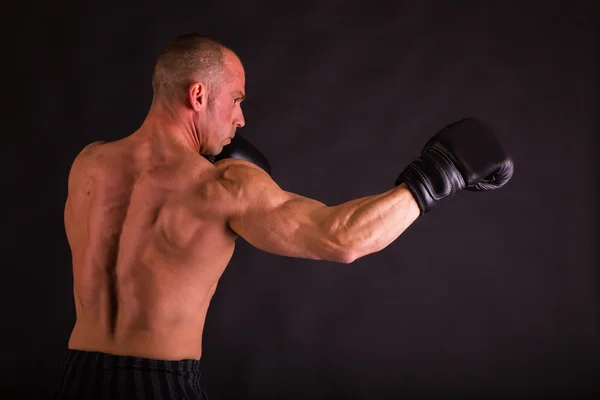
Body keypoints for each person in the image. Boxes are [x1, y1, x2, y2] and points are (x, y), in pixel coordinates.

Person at [52, 33, 514, 399]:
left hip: (75, 378)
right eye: (235, 99)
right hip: (160, 384)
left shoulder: (88, 164)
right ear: (197, 95)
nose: (241, 119)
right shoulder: (222, 186)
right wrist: (439, 173)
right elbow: (341, 238)